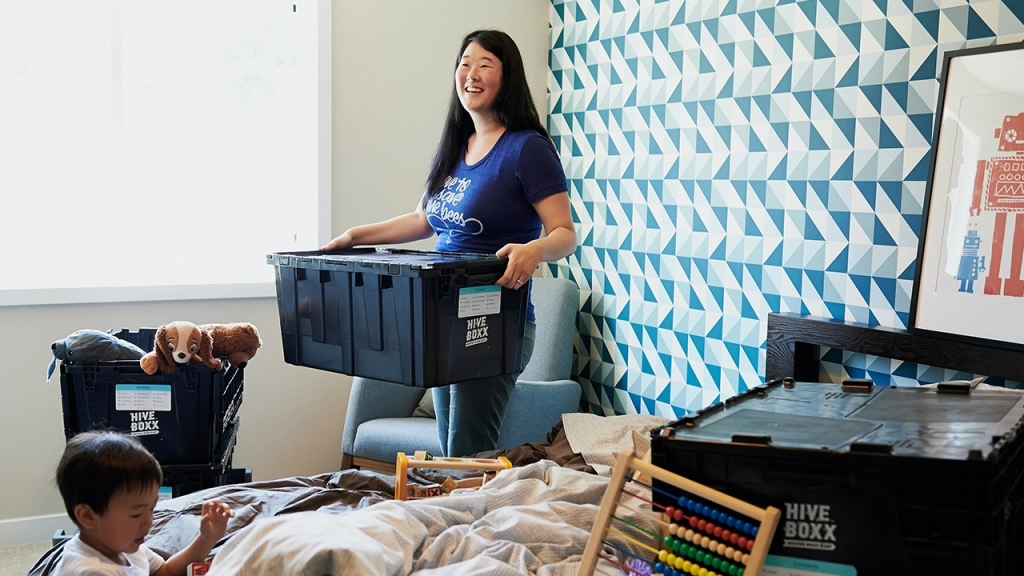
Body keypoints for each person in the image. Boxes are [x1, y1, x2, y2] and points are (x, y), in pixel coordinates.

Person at [323, 29, 577, 457]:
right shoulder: (456, 146)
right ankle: (450, 521)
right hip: (441, 320)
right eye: (464, 63)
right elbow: (423, 220)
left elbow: (565, 234)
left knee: (466, 452)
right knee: (449, 451)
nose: (470, 74)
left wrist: (534, 250)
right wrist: (354, 236)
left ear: (507, 76)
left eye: (484, 64)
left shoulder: (527, 148)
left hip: (493, 320)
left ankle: (476, 521)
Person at [53, 431, 234, 576]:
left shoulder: (122, 544)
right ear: (88, 516)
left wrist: (206, 539)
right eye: (136, 514)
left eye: (152, 509)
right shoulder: (89, 570)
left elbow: (165, 571)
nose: (149, 522)